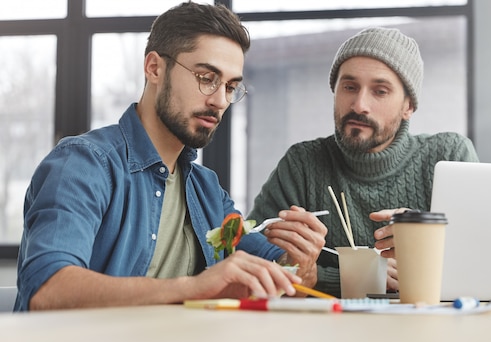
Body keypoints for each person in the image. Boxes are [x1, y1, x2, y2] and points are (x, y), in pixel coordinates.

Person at [14, 2, 327, 311]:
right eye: (207, 77)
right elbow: (48, 289)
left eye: (231, 86)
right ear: (154, 68)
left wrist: (300, 263)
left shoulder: (206, 190)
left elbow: (284, 284)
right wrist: (194, 288)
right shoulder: (82, 164)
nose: (220, 101)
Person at [248, 27, 479, 298]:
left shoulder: (448, 155)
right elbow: (250, 256)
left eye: (379, 91)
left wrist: (428, 243)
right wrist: (323, 276)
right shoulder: (303, 164)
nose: (359, 105)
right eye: (349, 87)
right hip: (325, 333)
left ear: (408, 107)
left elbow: (483, 258)